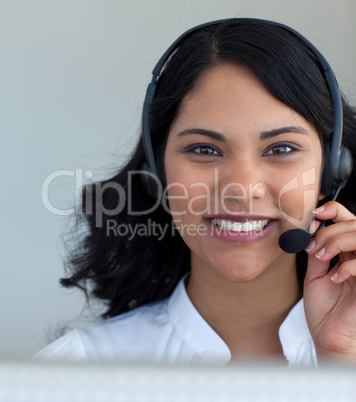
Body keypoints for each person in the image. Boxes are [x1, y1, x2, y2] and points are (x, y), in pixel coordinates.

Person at [35, 18, 356, 366]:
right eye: (205, 150)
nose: (243, 189)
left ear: (331, 173)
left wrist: (340, 360)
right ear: (157, 173)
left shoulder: (348, 354)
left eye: (280, 149)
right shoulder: (78, 369)